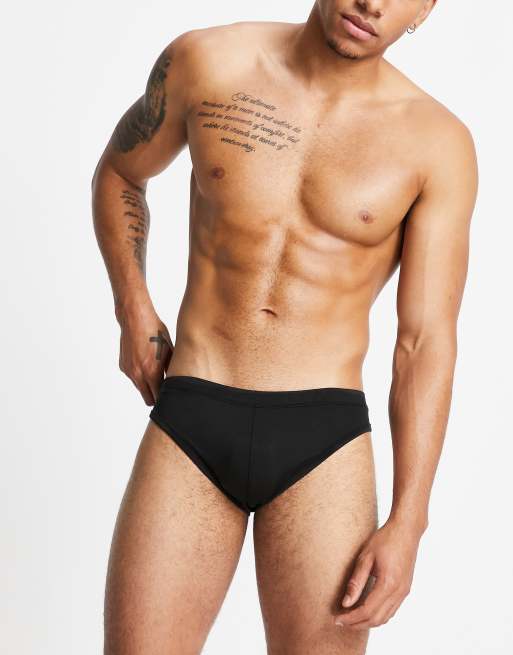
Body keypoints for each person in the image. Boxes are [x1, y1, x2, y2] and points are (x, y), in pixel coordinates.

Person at [91, 1, 478, 653]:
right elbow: (122, 172)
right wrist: (133, 309)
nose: (373, 3)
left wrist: (409, 520)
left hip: (323, 444)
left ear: (426, 9)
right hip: (194, 410)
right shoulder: (208, 61)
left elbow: (424, 342)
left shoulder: (436, 143)